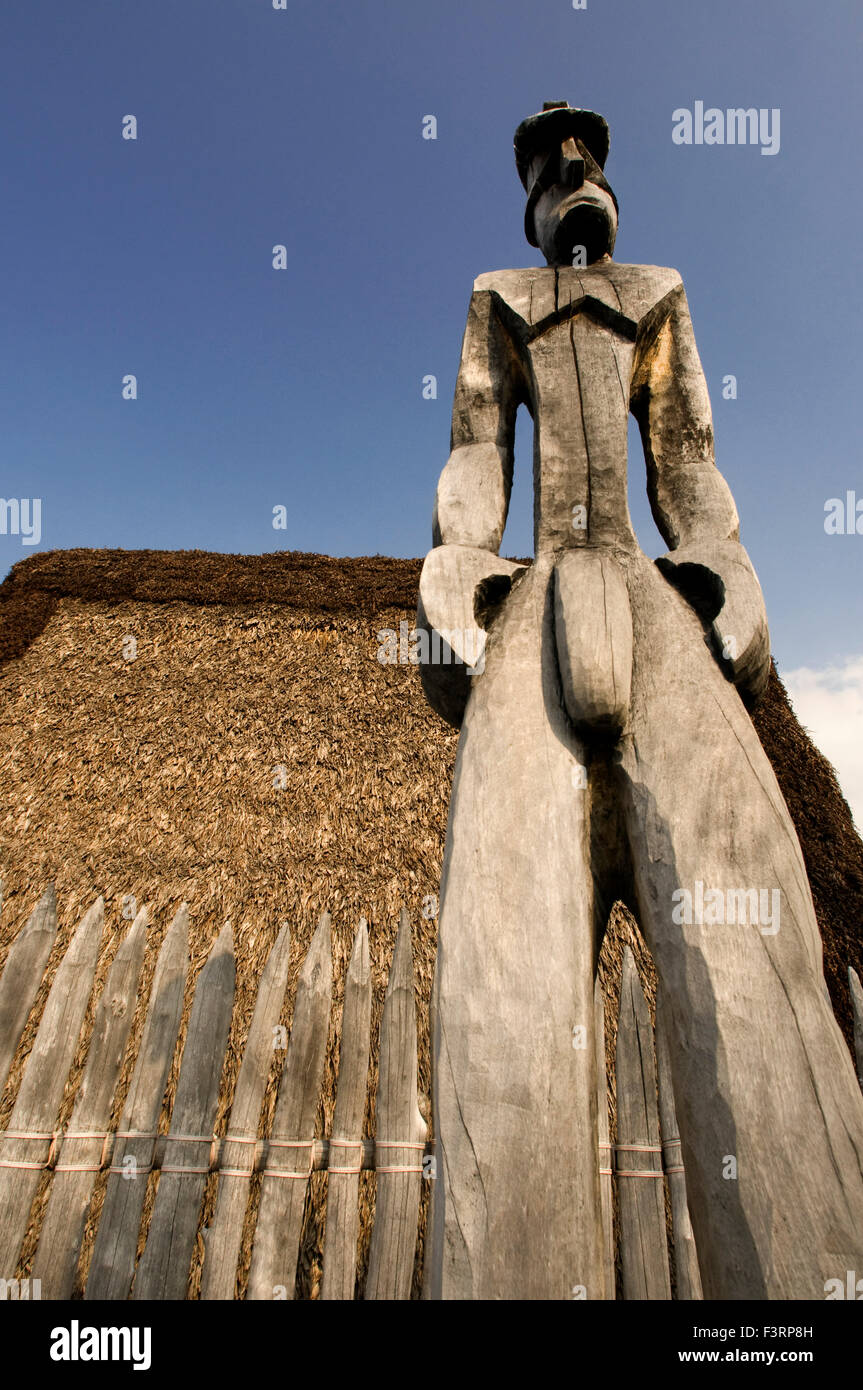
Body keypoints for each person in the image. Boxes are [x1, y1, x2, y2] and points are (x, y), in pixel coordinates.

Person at [420, 102, 863, 1299]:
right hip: (533, 618)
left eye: (589, 154)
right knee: (502, 985)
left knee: (749, 960)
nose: (574, 169)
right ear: (526, 196)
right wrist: (459, 560)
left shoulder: (658, 292)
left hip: (654, 611)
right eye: (549, 160)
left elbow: (685, 454)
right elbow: (474, 449)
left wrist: (725, 558)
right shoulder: (495, 300)